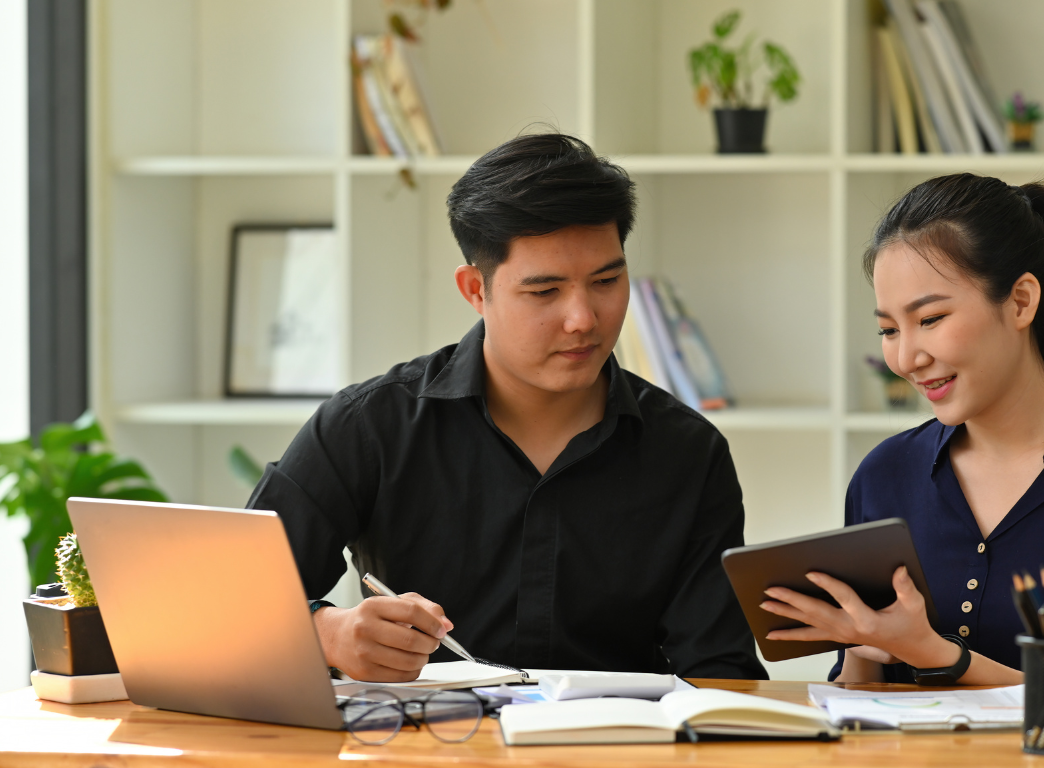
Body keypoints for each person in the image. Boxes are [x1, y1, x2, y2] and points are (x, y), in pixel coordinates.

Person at [248, 132, 766, 683]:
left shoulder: (687, 451)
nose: (583, 319)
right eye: (545, 292)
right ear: (475, 289)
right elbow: (227, 600)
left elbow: (719, 672)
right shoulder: (370, 428)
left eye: (607, 280)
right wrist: (329, 634)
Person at [758, 174, 1044, 686]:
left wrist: (932, 653)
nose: (905, 357)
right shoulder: (885, 474)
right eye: (888, 329)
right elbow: (858, 696)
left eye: (930, 318)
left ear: (1019, 302)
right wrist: (864, 646)